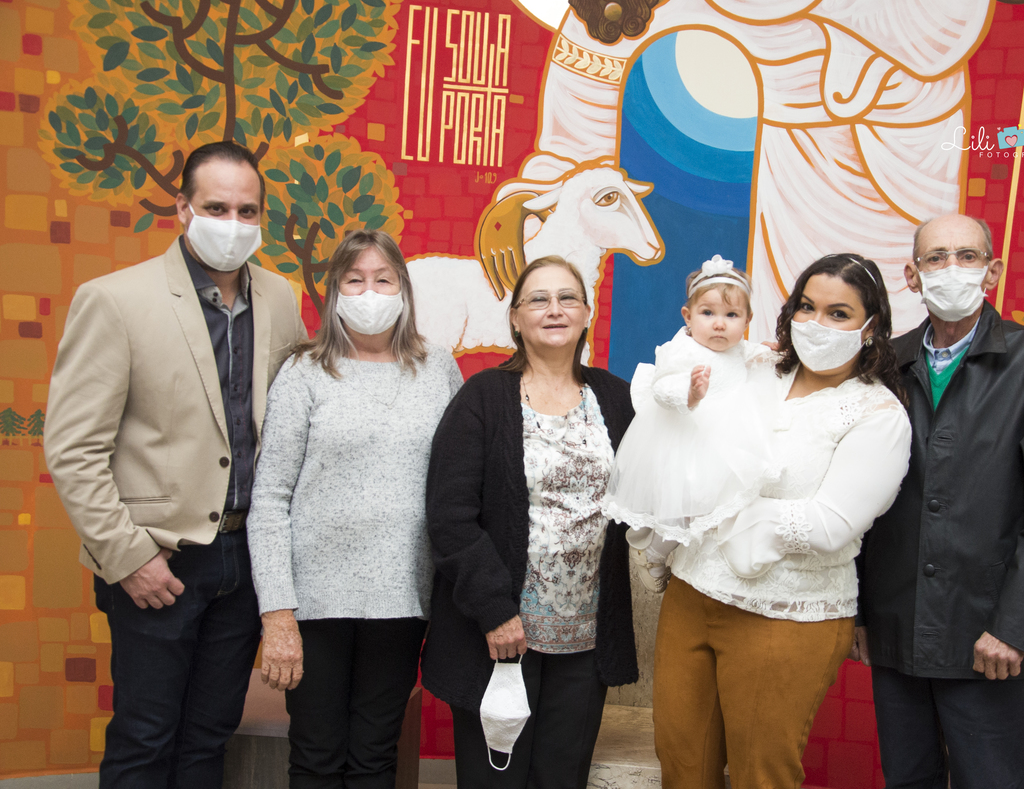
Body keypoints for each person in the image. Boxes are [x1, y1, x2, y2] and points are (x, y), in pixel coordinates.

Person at [44, 141, 306, 787]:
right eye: (217, 207)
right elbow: (74, 448)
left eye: (249, 210)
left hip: (243, 563)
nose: (234, 223)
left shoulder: (280, 298)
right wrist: (127, 555)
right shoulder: (115, 300)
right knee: (145, 736)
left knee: (207, 738)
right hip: (155, 561)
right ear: (182, 208)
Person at [652, 254, 912, 789]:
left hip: (786, 614)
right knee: (682, 763)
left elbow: (829, 524)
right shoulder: (753, 368)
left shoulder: (877, 415)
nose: (817, 324)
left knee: (760, 773)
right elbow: (679, 424)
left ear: (871, 329)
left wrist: (718, 512)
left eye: (839, 314)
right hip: (692, 593)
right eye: (806, 307)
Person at [856, 214, 1024, 789]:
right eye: (935, 258)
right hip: (897, 624)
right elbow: (856, 492)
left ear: (993, 271)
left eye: (966, 256)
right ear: (912, 277)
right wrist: (862, 614)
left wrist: (1014, 627)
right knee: (906, 778)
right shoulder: (883, 364)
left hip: (988, 635)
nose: (950, 269)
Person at [245, 230, 462, 788]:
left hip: (401, 598)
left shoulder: (437, 368)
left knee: (373, 757)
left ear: (404, 290)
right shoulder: (304, 372)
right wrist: (277, 612)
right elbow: (268, 500)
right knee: (316, 756)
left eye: (383, 279)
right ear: (335, 293)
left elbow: (458, 483)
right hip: (313, 605)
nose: (370, 292)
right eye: (354, 280)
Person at [421, 256, 638, 788]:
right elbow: (449, 516)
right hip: (499, 637)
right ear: (515, 319)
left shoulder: (617, 397)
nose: (554, 309)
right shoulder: (483, 397)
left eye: (567, 297)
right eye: (537, 299)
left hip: (586, 639)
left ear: (587, 313)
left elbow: (648, 492)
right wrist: (495, 611)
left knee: (561, 780)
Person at [604, 254, 777, 589]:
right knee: (685, 510)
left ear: (747, 319)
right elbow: (663, 387)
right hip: (686, 439)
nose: (719, 324)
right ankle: (650, 551)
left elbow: (753, 355)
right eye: (708, 313)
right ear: (688, 315)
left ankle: (707, 556)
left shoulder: (739, 348)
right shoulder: (682, 350)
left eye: (731, 315)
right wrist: (690, 393)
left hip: (724, 444)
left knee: (718, 506)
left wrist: (770, 352)